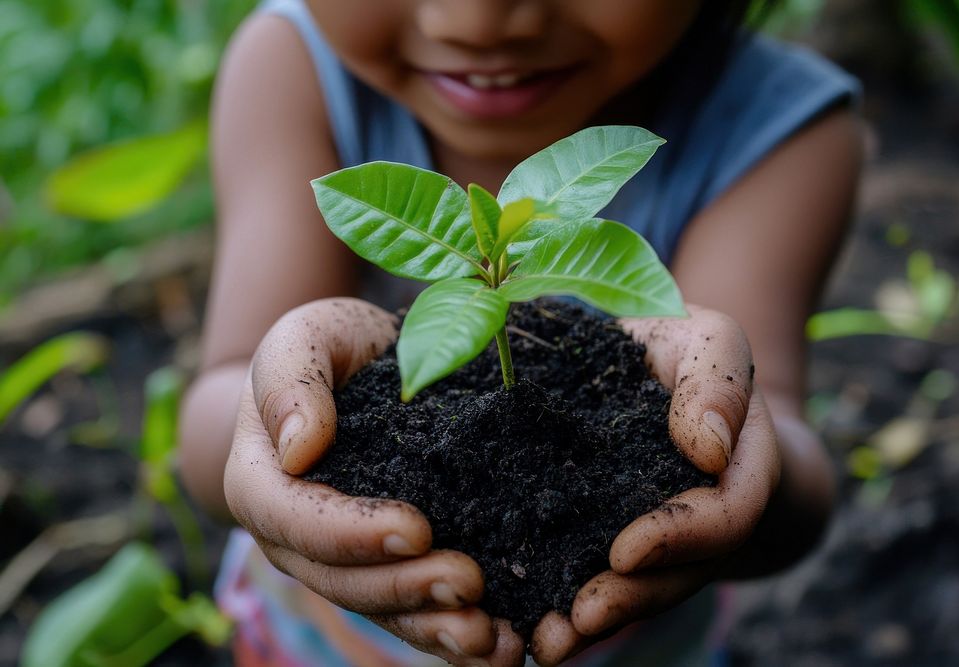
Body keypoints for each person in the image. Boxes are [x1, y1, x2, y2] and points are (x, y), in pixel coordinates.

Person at [178, 0, 863, 664]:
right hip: (316, 642)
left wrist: (745, 463)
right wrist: (267, 432)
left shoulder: (781, 130)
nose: (475, 20)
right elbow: (220, 401)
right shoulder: (289, 69)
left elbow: (780, 447)